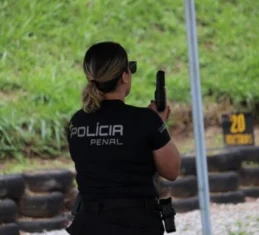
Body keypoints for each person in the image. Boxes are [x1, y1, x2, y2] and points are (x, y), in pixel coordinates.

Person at [65, 41, 181, 235]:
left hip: (88, 225)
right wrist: (159, 124)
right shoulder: (146, 121)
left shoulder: (77, 121)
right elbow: (172, 170)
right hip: (137, 225)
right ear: (124, 77)